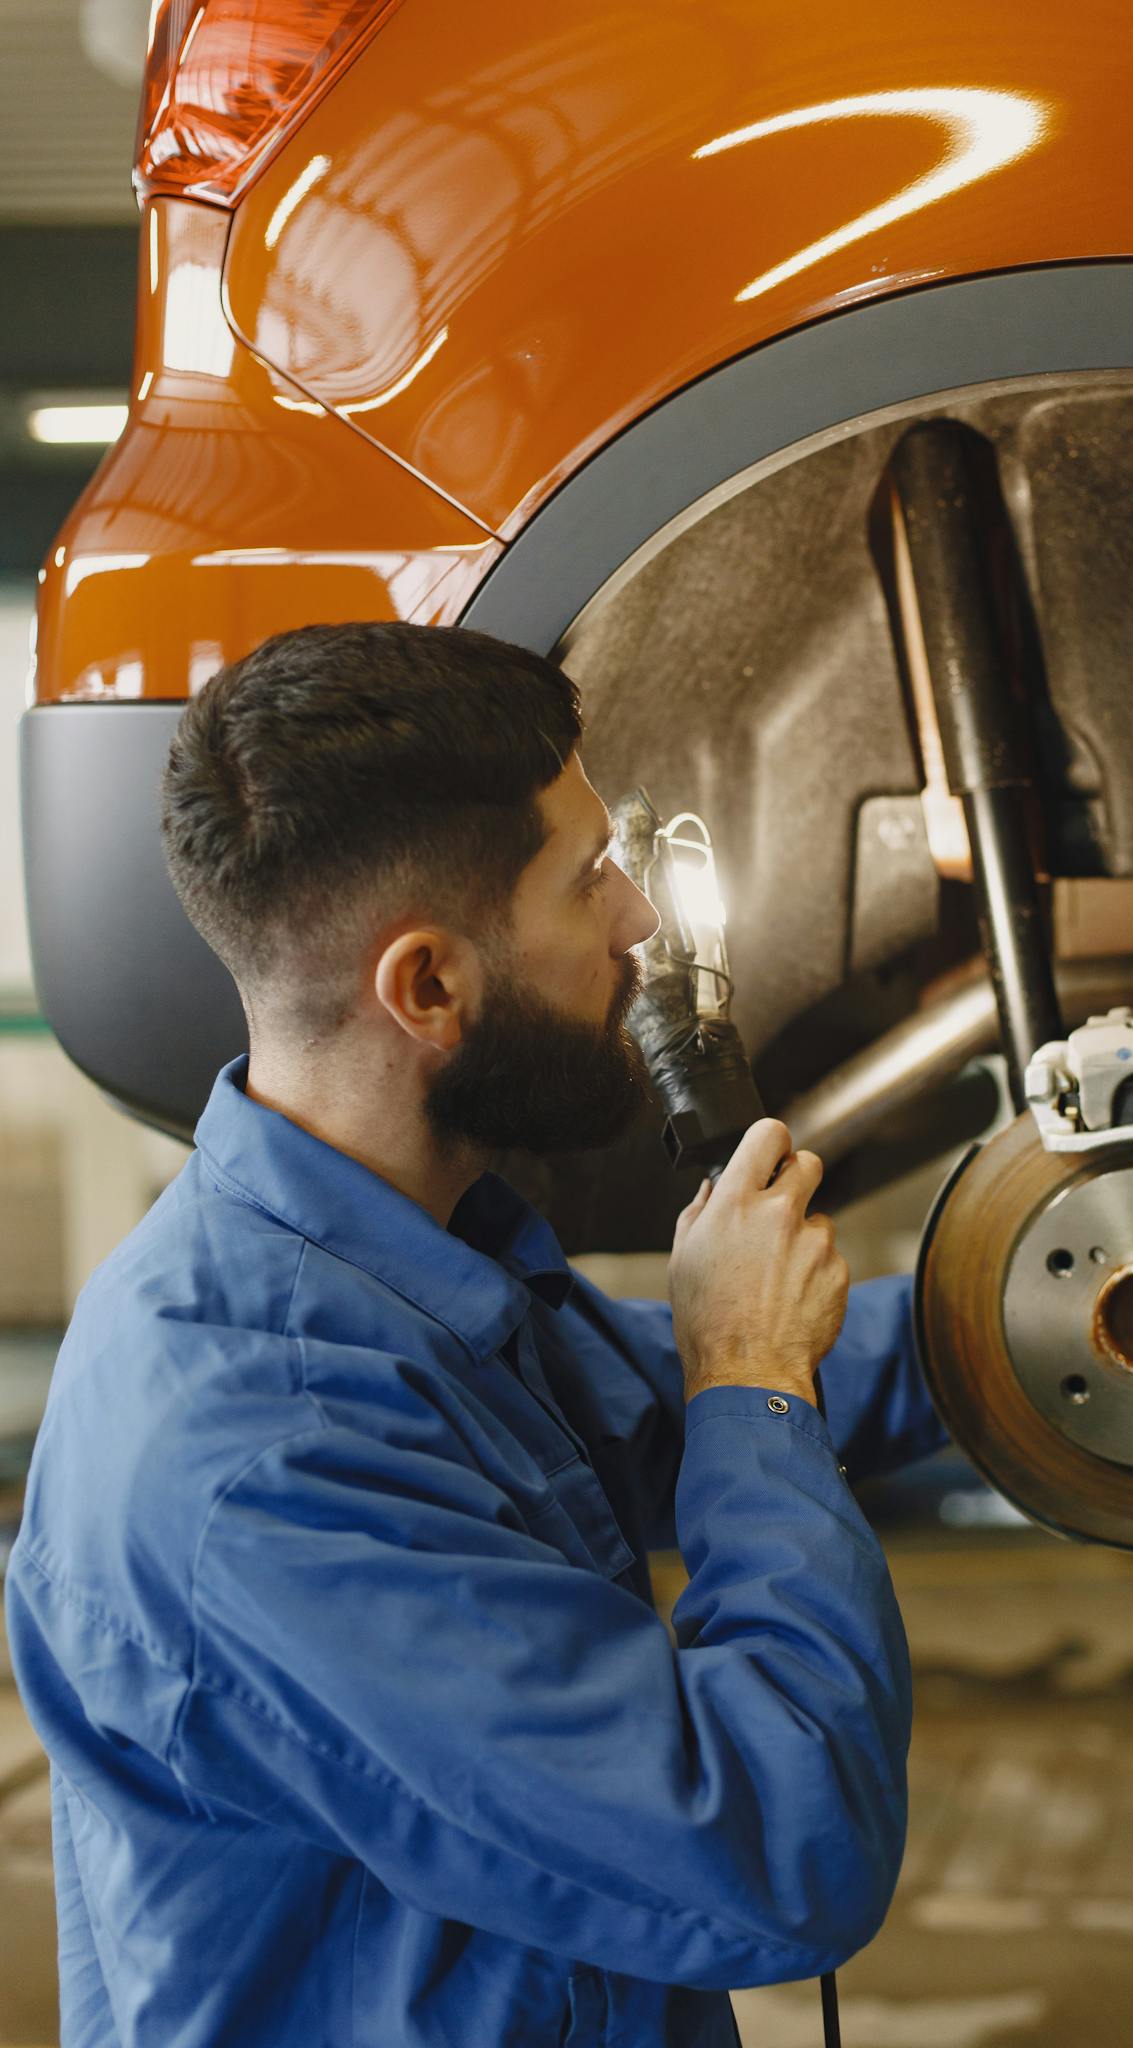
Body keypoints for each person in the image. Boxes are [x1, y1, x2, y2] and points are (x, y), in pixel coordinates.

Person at [6, 621, 946, 2048]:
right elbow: (769, 1847)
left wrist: (1052, 1307)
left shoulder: (389, 1274)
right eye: (586, 881)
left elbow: (676, 1391)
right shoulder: (264, 1455)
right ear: (428, 987)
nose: (636, 920)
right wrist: (753, 1380)